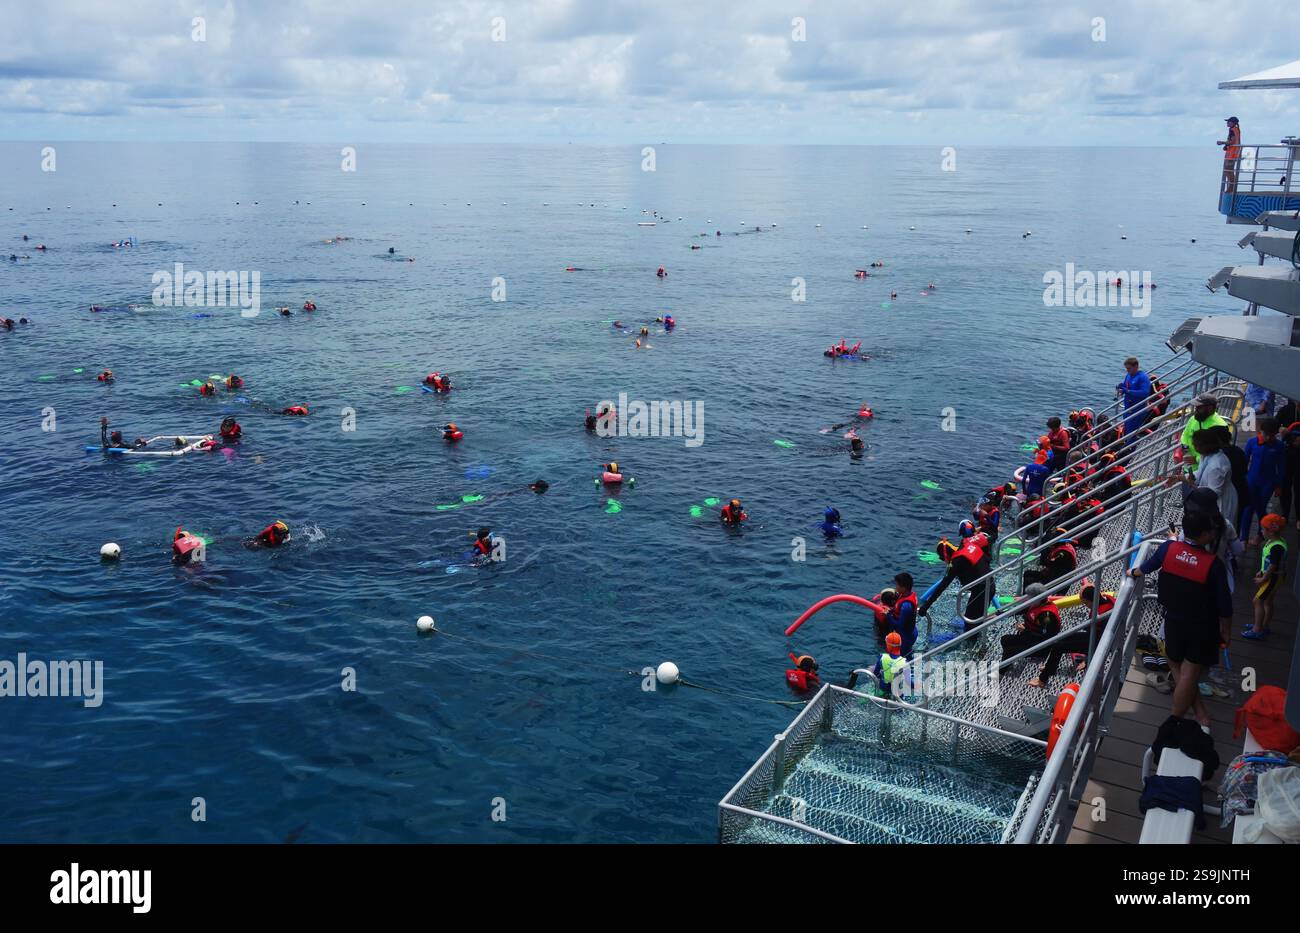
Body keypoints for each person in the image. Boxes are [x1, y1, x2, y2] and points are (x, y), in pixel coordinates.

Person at [1130, 509, 1231, 727]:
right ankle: (1176, 720)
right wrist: (1226, 631)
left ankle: (1201, 713)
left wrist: (1133, 573)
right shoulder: (1213, 565)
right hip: (1202, 625)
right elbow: (1225, 606)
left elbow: (1147, 567)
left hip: (1173, 620)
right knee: (1190, 672)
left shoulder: (1169, 548)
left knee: (1175, 663)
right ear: (1205, 534)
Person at [919, 532, 993, 630]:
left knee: (970, 625)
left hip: (982, 592)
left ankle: (975, 643)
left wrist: (926, 606)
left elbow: (942, 586)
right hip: (990, 583)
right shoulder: (965, 544)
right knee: (975, 618)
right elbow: (988, 540)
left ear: (945, 555)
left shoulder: (957, 562)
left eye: (942, 558)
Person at [999, 584, 1061, 680]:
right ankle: (1007, 662)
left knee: (1010, 651)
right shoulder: (1037, 604)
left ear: (1038, 598)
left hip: (1041, 646)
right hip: (1031, 637)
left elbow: (1046, 637)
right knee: (1005, 639)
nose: (1027, 599)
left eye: (1029, 597)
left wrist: (1025, 631)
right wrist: (1000, 614)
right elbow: (1020, 610)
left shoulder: (1047, 616)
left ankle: (1000, 674)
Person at [1240, 416, 1286, 545]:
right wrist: (1242, 480)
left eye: (1271, 436)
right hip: (1251, 481)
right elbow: (1243, 462)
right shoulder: (1252, 442)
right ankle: (1243, 538)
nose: (1268, 438)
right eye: (1266, 435)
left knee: (1261, 509)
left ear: (1275, 434)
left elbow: (1281, 467)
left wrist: (1279, 485)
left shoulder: (1279, 446)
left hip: (1268, 483)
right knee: (1247, 509)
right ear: (1261, 431)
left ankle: (1260, 536)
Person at [1185, 428, 1238, 530]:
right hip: (1208, 500)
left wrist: (1194, 488)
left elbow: (1213, 493)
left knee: (1220, 532)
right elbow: (1200, 473)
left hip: (1220, 504)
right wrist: (1185, 477)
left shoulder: (1217, 466)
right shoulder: (1206, 456)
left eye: (1196, 445)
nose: (1194, 448)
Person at [1245, 514, 1287, 640]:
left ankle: (1257, 630)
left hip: (1272, 578)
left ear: (1270, 531)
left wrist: (1263, 579)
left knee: (1257, 601)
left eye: (1263, 529)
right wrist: (1261, 570)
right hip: (1274, 576)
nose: (1261, 531)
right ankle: (1264, 625)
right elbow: (1269, 562)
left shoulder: (1277, 547)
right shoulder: (1275, 541)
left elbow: (1273, 566)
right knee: (1268, 602)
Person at [1178, 392, 1228, 471]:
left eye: (1199, 407)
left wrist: (1197, 459)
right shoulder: (1194, 419)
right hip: (1188, 468)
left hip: (1206, 470)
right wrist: (1185, 447)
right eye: (1196, 407)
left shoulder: (1220, 426)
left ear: (1210, 408)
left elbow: (1219, 452)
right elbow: (1185, 434)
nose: (1196, 410)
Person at [1115, 357, 1153, 442]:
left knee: (1132, 432)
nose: (1127, 370)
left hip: (1137, 409)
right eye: (1126, 368)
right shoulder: (1128, 375)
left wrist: (1128, 391)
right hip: (1128, 408)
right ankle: (1127, 448)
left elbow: (1145, 393)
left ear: (1136, 366)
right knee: (1127, 430)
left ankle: (1131, 451)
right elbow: (1126, 386)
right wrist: (1121, 389)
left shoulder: (1142, 377)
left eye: (1129, 368)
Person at [886, 572, 919, 655]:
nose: (895, 587)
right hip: (910, 632)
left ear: (903, 588)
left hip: (905, 637)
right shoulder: (906, 594)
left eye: (897, 585)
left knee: (902, 658)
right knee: (907, 654)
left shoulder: (906, 606)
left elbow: (899, 626)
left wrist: (888, 616)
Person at [870, 632, 909, 698]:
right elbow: (909, 683)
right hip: (897, 694)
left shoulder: (882, 657)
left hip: (882, 689)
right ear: (900, 645)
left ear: (888, 645)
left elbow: (875, 674)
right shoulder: (905, 662)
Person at [1220, 116, 1242, 192]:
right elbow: (1233, 141)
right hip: (1233, 153)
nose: (1227, 123)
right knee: (1228, 171)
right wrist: (1226, 146)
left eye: (1229, 121)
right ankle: (1231, 187)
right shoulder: (1235, 129)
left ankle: (1231, 188)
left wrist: (1222, 142)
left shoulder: (1233, 130)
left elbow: (1232, 141)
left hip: (1233, 154)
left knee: (1228, 171)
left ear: (1233, 123)